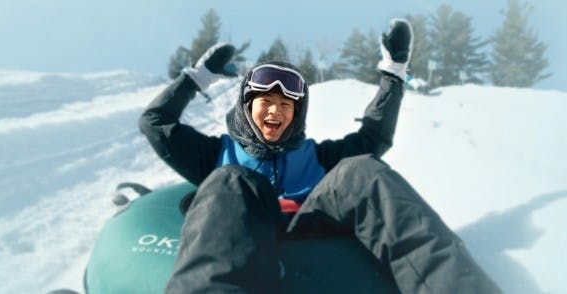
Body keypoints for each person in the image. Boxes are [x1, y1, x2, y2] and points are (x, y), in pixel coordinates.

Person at [139, 19, 501, 294]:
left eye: (286, 105)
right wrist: (197, 78)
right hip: (238, 227)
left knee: (360, 168)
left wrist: (393, 74)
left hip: (311, 228)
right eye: (266, 102)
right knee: (232, 179)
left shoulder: (317, 157)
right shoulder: (215, 154)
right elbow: (156, 123)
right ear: (247, 109)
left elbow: (374, 137)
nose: (275, 112)